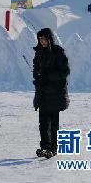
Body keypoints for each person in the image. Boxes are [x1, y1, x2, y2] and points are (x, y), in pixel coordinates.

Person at [33, 28, 70, 159]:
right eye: (40, 39)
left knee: (53, 123)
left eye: (44, 39)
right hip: (43, 93)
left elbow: (65, 72)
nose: (42, 42)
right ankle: (44, 147)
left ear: (49, 38)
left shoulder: (58, 52)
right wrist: (37, 78)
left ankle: (53, 148)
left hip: (55, 94)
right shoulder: (39, 53)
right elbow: (36, 69)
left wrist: (48, 77)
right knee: (42, 123)